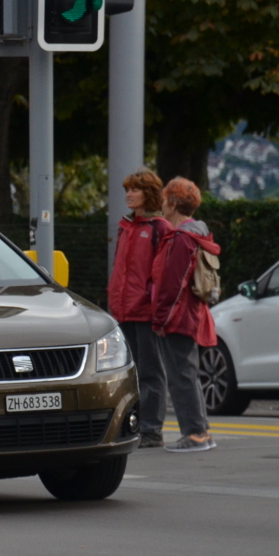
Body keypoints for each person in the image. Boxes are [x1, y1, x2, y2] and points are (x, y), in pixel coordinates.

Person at [151, 177, 221, 452]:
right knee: (187, 373)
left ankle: (194, 434)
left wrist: (160, 320)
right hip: (192, 314)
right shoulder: (198, 234)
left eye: (165, 198)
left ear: (173, 202)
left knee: (181, 375)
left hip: (178, 317)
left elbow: (173, 285)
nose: (162, 204)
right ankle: (200, 430)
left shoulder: (182, 239)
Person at [106, 168, 170, 448]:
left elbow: (162, 274)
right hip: (123, 309)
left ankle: (152, 429)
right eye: (127, 190)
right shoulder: (127, 226)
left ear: (149, 194)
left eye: (135, 190)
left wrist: (156, 308)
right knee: (130, 372)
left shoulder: (159, 228)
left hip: (145, 311)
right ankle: (136, 425)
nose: (129, 195)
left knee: (150, 371)